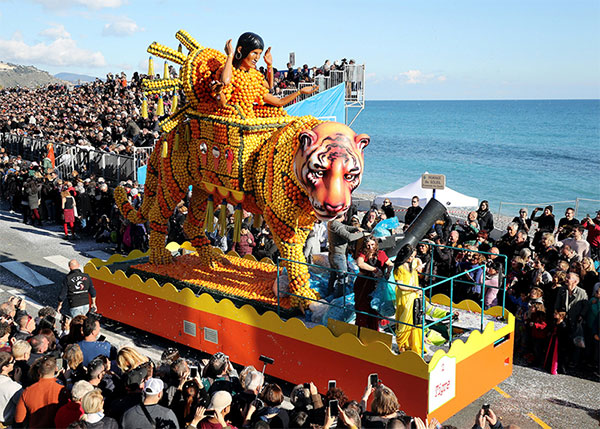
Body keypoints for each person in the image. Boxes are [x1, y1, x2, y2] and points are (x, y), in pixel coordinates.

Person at [218, 33, 317, 114]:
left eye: (259, 54)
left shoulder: (254, 76)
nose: (257, 58)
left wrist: (269, 65)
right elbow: (225, 81)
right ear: (240, 50)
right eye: (254, 53)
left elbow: (272, 91)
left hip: (247, 123)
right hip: (230, 121)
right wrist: (230, 55)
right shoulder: (229, 71)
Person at [14, 355, 69, 428]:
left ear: (39, 371)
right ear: (56, 369)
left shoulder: (28, 391)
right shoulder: (62, 390)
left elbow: (19, 419)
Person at [354, 238, 394, 330]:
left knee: (374, 308)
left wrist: (388, 273)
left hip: (376, 285)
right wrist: (375, 270)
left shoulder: (381, 253)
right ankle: (360, 329)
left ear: (376, 245)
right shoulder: (363, 254)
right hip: (363, 285)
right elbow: (360, 263)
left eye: (372, 245)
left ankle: (373, 329)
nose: (370, 247)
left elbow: (390, 264)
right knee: (362, 307)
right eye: (368, 245)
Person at [327, 214, 369, 298]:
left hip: (333, 254)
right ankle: (339, 299)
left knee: (333, 275)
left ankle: (329, 292)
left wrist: (356, 228)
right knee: (342, 278)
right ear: (343, 216)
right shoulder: (335, 224)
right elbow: (349, 237)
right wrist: (363, 234)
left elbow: (345, 227)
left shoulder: (333, 222)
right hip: (338, 255)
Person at [393, 245, 423, 354]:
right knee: (404, 321)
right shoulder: (400, 268)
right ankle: (402, 344)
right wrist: (414, 289)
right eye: (410, 257)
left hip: (413, 296)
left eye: (413, 256)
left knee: (415, 320)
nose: (412, 259)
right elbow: (400, 286)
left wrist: (419, 265)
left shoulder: (412, 263)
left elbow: (418, 260)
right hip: (404, 297)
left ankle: (413, 344)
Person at [0, 351, 22, 427]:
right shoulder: (14, 387)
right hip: (6, 424)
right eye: (12, 362)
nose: (14, 362)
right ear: (4, 367)